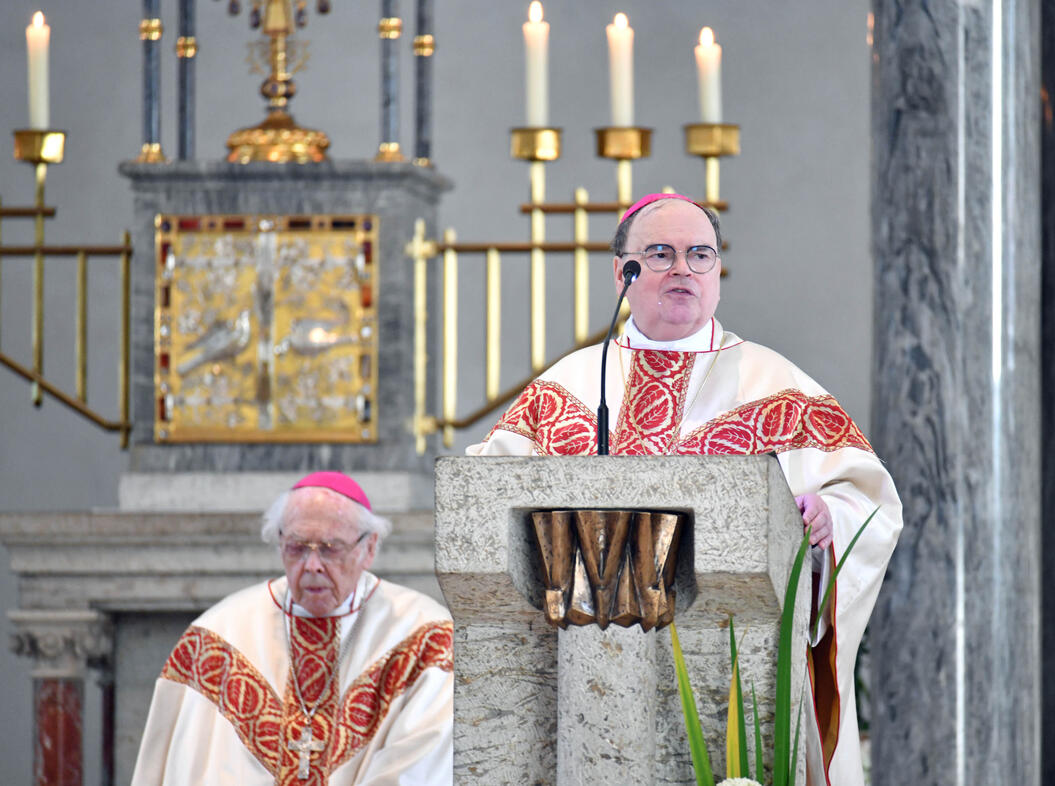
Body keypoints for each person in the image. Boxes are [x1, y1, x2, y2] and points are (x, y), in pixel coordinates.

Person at [467, 193, 902, 785]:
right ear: (622, 272)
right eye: (660, 254)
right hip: (578, 680)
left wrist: (830, 518)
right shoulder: (565, 387)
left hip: (732, 679)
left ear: (717, 270)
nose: (683, 269)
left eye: (700, 255)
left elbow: (868, 501)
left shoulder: (777, 386)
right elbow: (483, 503)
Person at [131, 471, 454, 785]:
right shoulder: (217, 637)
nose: (312, 566)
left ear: (369, 548)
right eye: (297, 548)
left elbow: (420, 765)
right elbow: (190, 765)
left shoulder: (426, 638)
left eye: (330, 548)